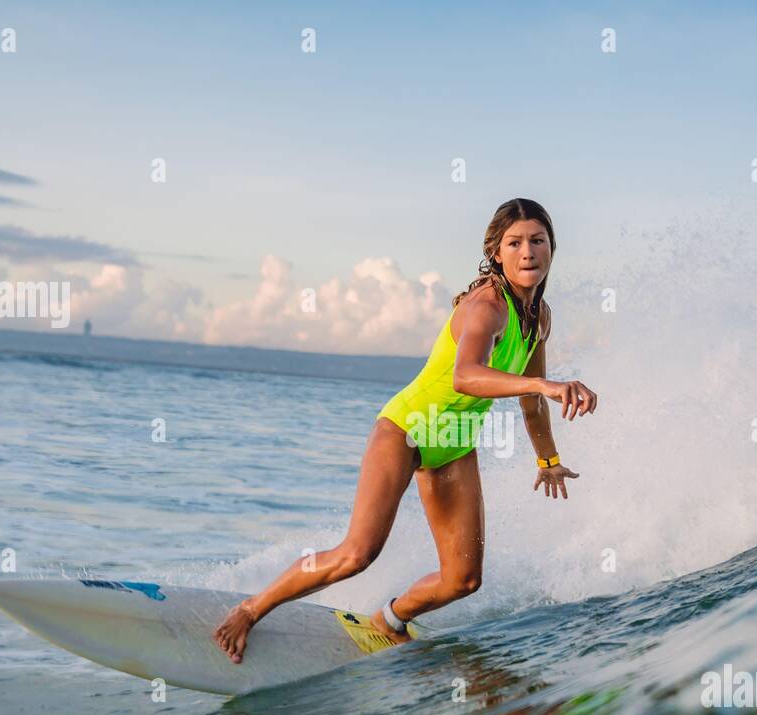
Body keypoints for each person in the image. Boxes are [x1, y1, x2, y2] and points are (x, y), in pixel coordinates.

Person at [212, 198, 597, 663]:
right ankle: (250, 609)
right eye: (514, 243)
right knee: (358, 553)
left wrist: (548, 459)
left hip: (454, 442)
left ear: (552, 247)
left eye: (537, 241)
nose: (528, 252)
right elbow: (466, 375)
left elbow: (532, 403)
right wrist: (542, 383)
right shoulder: (487, 307)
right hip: (406, 429)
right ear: (496, 253)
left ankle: (389, 620)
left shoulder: (538, 317)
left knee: (463, 580)